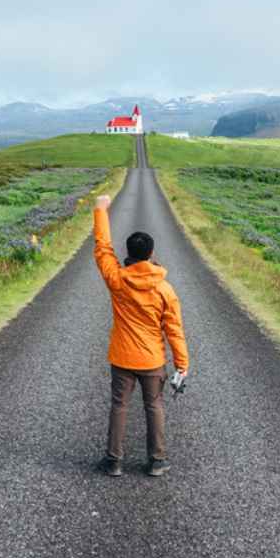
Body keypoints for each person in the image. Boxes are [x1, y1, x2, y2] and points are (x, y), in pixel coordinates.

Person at [92, 193, 189, 477]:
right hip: (152, 360)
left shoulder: (117, 280)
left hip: (122, 357)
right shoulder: (165, 289)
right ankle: (157, 460)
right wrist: (182, 364)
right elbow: (174, 331)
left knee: (119, 406)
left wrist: (100, 210)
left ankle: (113, 461)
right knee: (154, 406)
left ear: (129, 254)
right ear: (151, 254)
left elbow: (102, 248)